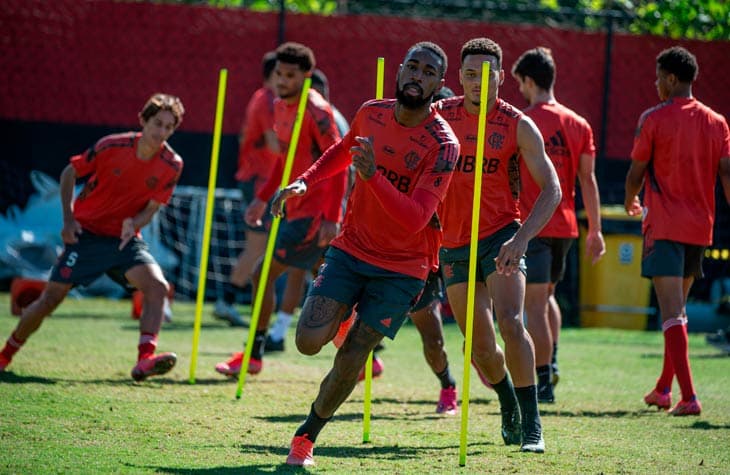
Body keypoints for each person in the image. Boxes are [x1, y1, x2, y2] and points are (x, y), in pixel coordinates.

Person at [272, 41, 459, 466]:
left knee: (355, 353)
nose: (418, 75)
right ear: (400, 70)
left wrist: (373, 177)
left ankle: (306, 437)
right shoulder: (371, 111)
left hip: (404, 269)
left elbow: (415, 217)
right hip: (352, 248)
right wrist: (304, 182)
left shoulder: (444, 145)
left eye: (429, 72)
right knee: (306, 342)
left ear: (438, 84)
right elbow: (343, 151)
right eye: (412, 66)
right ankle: (345, 314)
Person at [0, 93, 185, 381]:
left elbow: (151, 209)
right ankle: (5, 355)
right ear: (143, 121)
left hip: (124, 242)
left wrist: (133, 222)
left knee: (158, 287)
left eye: (169, 127)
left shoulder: (172, 164)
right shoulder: (111, 145)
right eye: (157, 124)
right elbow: (68, 174)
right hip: (86, 237)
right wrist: (68, 220)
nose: (161, 132)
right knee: (49, 301)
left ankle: (144, 360)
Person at [435, 37, 561, 453]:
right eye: (470, 74)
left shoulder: (517, 124)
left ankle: (533, 425)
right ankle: (507, 400)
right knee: (481, 348)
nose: (477, 81)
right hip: (453, 243)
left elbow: (552, 189)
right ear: (460, 77)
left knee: (511, 321)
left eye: (486, 74)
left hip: (500, 236)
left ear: (501, 78)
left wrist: (522, 239)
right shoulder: (439, 116)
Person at [214, 42, 346, 377]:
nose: (282, 81)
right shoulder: (278, 105)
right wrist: (262, 197)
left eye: (290, 75)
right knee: (333, 282)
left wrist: (332, 217)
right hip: (296, 209)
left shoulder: (317, 110)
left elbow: (339, 164)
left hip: (313, 214)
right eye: (279, 74)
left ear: (305, 76)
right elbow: (285, 160)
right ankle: (364, 356)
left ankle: (254, 355)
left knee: (263, 273)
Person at [625, 46, 730, 416]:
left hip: (665, 226)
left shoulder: (654, 118)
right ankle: (663, 389)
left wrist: (629, 199)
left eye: (658, 78)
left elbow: (637, 170)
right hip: (700, 229)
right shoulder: (717, 122)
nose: (656, 84)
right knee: (678, 311)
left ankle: (689, 397)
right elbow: (727, 174)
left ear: (671, 79)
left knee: (671, 312)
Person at [511, 46, 605, 403]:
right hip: (566, 227)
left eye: (520, 83)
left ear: (530, 82)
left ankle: (543, 378)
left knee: (533, 305)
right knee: (547, 298)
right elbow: (588, 180)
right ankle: (552, 362)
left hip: (535, 225)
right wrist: (594, 230)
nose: (519, 90)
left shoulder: (524, 122)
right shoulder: (579, 123)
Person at [213, 51, 279, 328]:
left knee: (263, 247)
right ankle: (226, 301)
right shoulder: (265, 100)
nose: (289, 81)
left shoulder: (272, 101)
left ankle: (233, 300)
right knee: (257, 246)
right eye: (282, 74)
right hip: (257, 181)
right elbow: (277, 146)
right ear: (269, 76)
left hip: (266, 180)